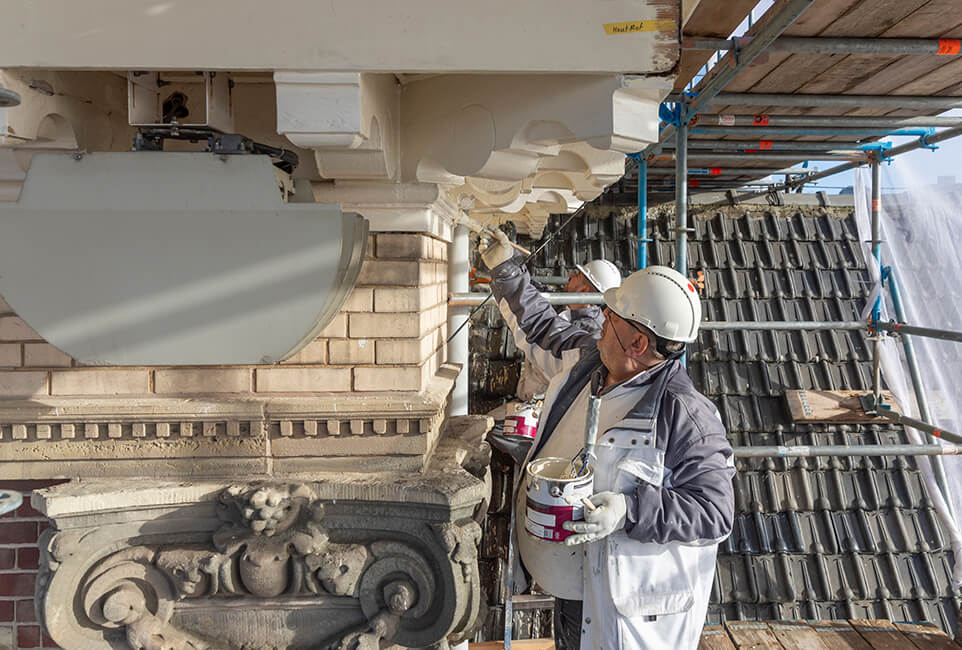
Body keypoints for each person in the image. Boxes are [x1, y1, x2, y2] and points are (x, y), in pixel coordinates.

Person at [480, 228, 734, 650]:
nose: (599, 324)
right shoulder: (590, 362)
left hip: (616, 611)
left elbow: (714, 511)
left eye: (610, 318)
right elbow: (540, 324)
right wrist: (505, 269)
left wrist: (628, 511)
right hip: (569, 591)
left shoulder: (685, 415)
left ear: (638, 341)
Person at [512, 260, 622, 401]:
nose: (570, 275)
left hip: (546, 406)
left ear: (583, 290)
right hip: (528, 395)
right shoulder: (563, 304)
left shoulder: (592, 334)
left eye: (577, 275)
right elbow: (532, 293)